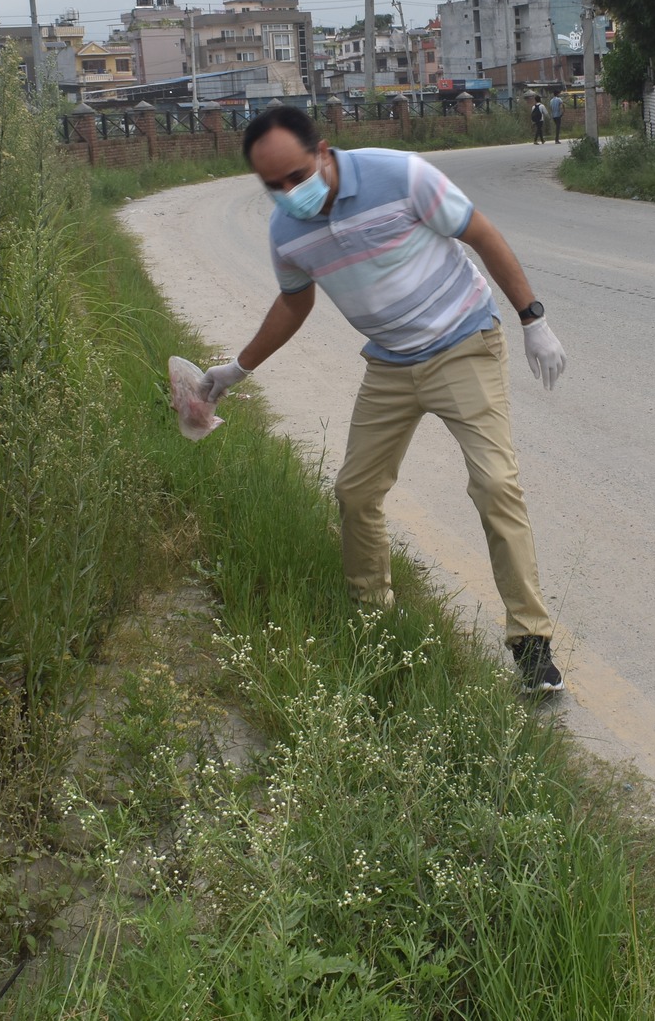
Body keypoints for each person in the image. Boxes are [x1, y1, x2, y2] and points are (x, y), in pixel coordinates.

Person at [202, 105, 571, 690]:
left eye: (297, 176)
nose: (290, 192)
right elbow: (295, 303)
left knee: (495, 485)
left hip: (462, 344)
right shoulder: (287, 232)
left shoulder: (399, 175)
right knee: (355, 492)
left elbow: (480, 233)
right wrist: (237, 369)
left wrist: (533, 319)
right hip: (391, 364)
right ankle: (372, 621)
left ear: (324, 152)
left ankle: (531, 645)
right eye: (274, 185)